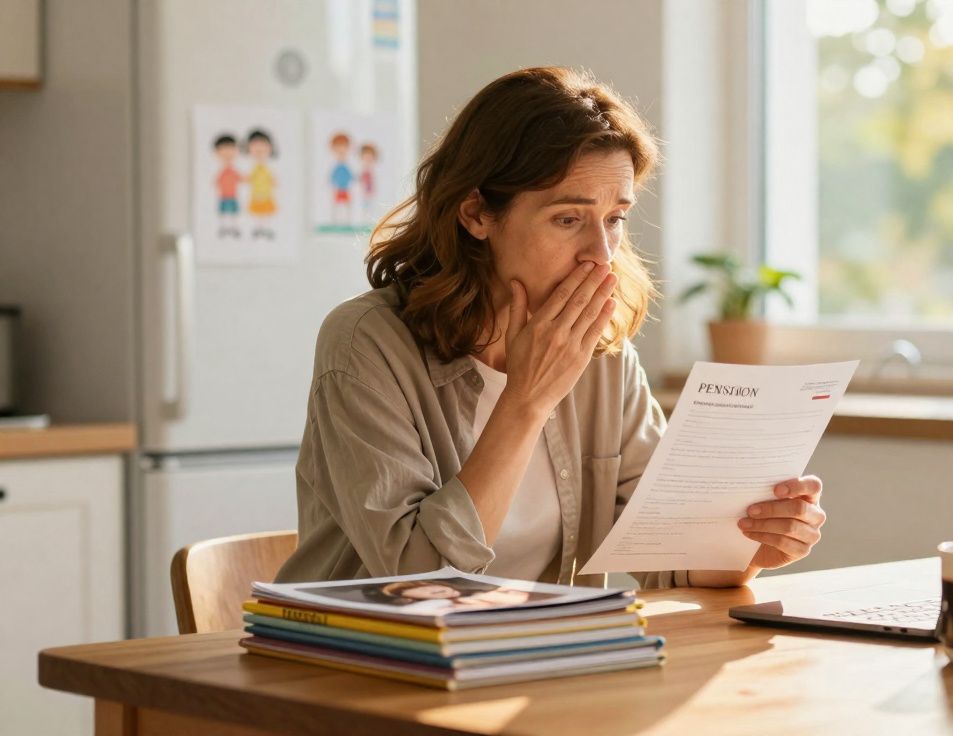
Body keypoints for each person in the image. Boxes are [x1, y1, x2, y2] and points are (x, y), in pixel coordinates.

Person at [275, 66, 827, 589]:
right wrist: (526, 400)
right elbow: (423, 578)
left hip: (535, 665)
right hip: (364, 668)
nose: (601, 256)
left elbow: (669, 552)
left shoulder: (604, 356)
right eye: (568, 219)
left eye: (615, 220)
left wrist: (751, 545)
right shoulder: (366, 343)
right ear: (476, 215)